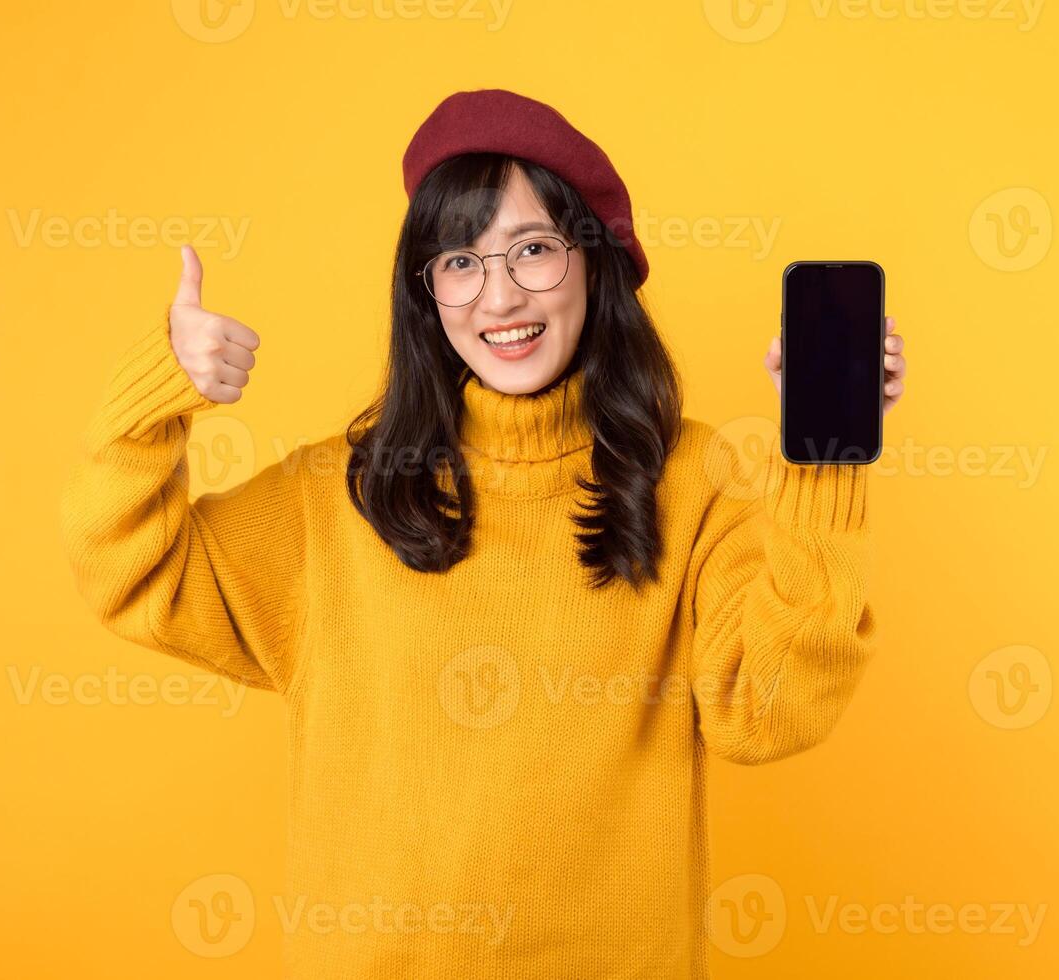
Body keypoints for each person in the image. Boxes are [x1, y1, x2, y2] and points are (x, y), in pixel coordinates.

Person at [59, 87, 908, 978]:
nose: (499, 296)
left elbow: (766, 714)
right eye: (459, 262)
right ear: (426, 294)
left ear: (596, 260)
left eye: (533, 249)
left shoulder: (696, 482)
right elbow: (128, 568)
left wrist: (825, 466)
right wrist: (154, 400)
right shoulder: (335, 496)